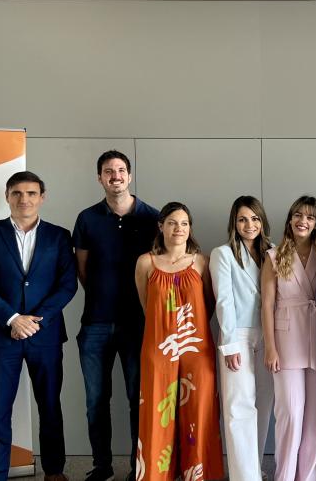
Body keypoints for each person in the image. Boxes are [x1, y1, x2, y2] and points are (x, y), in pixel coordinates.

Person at [0, 171, 77, 481]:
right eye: (17, 193)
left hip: (45, 335)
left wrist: (34, 320)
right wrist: (13, 319)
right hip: (3, 335)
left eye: (31, 193)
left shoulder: (59, 236)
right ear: (7, 196)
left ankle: (54, 471)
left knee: (50, 407)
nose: (24, 199)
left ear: (42, 197)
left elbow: (67, 285)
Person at [73, 150, 159, 481]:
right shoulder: (87, 218)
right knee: (96, 401)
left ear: (130, 175)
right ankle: (102, 467)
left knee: (138, 399)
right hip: (94, 324)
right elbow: (82, 268)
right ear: (99, 178)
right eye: (108, 171)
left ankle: (140, 467)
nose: (115, 176)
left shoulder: (152, 217)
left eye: (121, 170)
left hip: (138, 324)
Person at [133, 202, 223, 481]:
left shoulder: (202, 262)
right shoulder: (145, 262)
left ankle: (198, 474)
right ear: (161, 226)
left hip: (196, 347)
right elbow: (147, 306)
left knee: (199, 410)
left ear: (190, 228)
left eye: (184, 223)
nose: (178, 229)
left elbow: (209, 304)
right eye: (172, 223)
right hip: (158, 349)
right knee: (157, 414)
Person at [261, 196, 316, 481]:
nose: (303, 221)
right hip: (286, 340)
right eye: (298, 215)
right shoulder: (274, 256)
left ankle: (308, 477)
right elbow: (266, 305)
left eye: (310, 217)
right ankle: (285, 476)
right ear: (290, 220)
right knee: (290, 414)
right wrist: (270, 348)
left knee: (315, 420)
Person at [209, 196, 274, 481]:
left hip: (270, 335)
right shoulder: (222, 254)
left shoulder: (273, 252)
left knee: (264, 404)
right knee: (238, 407)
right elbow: (223, 301)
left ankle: (253, 468)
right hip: (238, 334)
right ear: (234, 223)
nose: (250, 225)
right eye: (243, 219)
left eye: (255, 219)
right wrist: (229, 344)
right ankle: (243, 476)